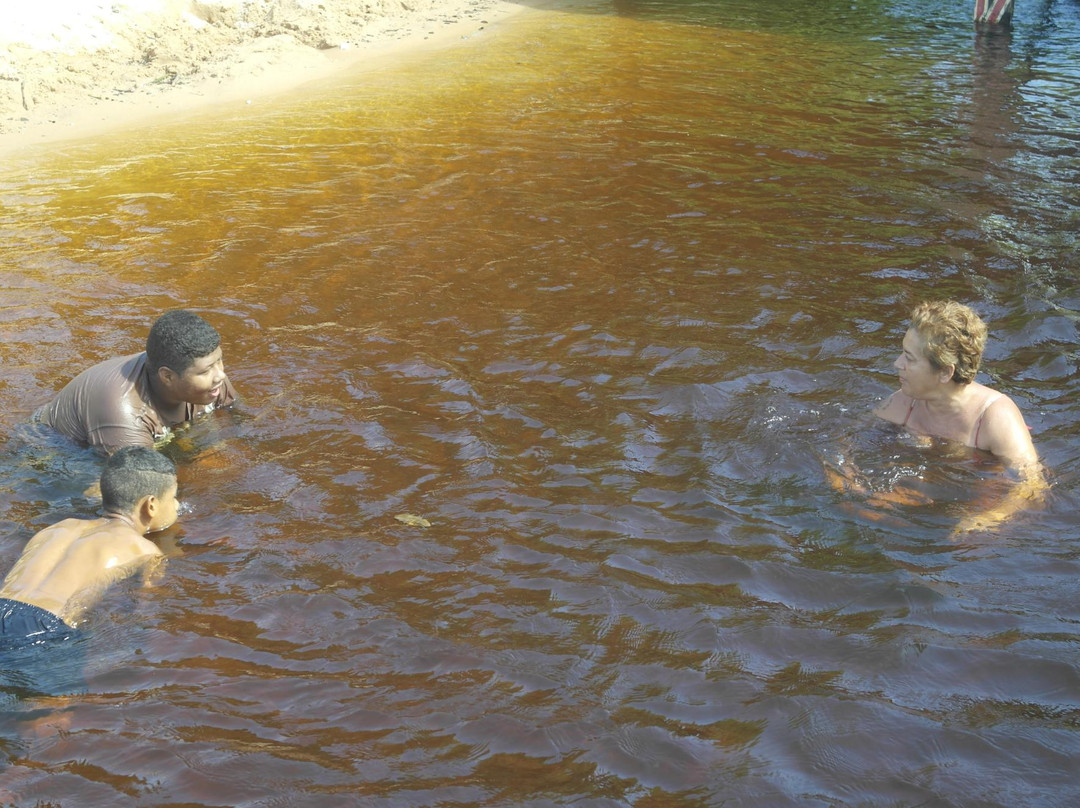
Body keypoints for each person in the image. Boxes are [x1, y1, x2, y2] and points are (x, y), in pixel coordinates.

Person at [872, 299, 1046, 533]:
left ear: (945, 372)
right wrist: (847, 478)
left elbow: (1033, 486)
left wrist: (987, 519)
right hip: (933, 489)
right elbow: (850, 439)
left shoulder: (995, 416)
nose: (897, 363)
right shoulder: (905, 400)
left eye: (909, 358)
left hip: (979, 487)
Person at [0, 446, 176, 650]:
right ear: (151, 505)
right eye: (173, 498)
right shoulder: (147, 550)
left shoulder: (58, 528)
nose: (177, 505)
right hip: (43, 626)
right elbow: (144, 607)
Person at [35, 310, 236, 454]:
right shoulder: (124, 412)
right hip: (53, 449)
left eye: (219, 361)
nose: (220, 375)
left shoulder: (212, 378)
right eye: (207, 370)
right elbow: (138, 487)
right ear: (167, 376)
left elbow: (236, 420)